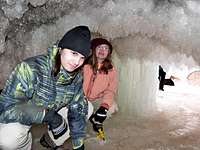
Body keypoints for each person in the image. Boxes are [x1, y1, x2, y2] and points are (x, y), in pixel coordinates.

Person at [0, 25, 91, 150]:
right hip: (24, 116)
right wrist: (48, 115)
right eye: (74, 53)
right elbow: (7, 107)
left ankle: (50, 141)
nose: (77, 62)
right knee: (7, 139)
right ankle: (25, 145)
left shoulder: (76, 78)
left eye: (82, 58)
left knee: (87, 107)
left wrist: (79, 144)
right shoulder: (30, 68)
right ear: (61, 49)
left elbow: (77, 110)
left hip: (54, 112)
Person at [83, 38, 118, 139]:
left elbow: (111, 90)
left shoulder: (110, 69)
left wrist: (104, 107)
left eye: (106, 48)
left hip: (96, 99)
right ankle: (91, 118)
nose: (102, 50)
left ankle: (97, 120)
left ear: (108, 53)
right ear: (94, 50)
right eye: (99, 47)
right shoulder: (84, 65)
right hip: (82, 99)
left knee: (112, 107)